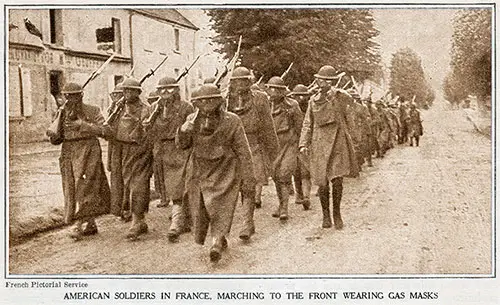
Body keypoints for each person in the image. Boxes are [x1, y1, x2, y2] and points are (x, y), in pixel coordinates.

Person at [177, 84, 255, 262]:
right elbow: (182, 145)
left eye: (211, 100)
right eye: (202, 101)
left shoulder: (232, 120)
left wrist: (249, 177)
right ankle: (218, 237)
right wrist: (183, 131)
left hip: (226, 169)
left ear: (219, 101)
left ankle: (217, 242)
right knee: (203, 207)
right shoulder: (191, 119)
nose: (207, 104)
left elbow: (243, 150)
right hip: (199, 170)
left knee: (221, 206)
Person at [46, 82, 111, 241]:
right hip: (69, 152)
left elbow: (106, 131)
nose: (70, 99)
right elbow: (57, 139)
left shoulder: (93, 110)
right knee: (71, 188)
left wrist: (82, 125)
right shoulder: (62, 112)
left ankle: (79, 223)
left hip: (89, 150)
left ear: (81, 95)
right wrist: (53, 135)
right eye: (67, 96)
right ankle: (89, 222)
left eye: (74, 95)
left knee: (86, 187)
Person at [299, 65, 360, 230]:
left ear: (330, 81)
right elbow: (307, 123)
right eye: (318, 79)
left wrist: (354, 138)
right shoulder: (313, 100)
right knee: (322, 182)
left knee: (337, 180)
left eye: (322, 79)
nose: (318, 82)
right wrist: (303, 143)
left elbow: (351, 112)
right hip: (319, 144)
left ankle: (337, 214)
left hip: (338, 143)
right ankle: (326, 215)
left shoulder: (340, 97)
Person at [227, 66, 279, 240]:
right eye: (236, 81)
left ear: (250, 81)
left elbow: (268, 126)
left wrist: (273, 153)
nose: (240, 84)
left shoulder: (260, 99)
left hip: (253, 146)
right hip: (230, 148)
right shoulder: (226, 99)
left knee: (249, 185)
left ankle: (247, 223)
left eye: (244, 80)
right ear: (232, 83)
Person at [145, 76, 195, 242]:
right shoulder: (154, 109)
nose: (165, 93)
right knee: (169, 186)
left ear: (176, 90)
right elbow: (149, 132)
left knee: (180, 185)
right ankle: (185, 218)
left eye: (169, 89)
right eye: (161, 90)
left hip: (181, 149)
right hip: (162, 151)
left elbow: (192, 131)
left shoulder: (186, 107)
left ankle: (176, 223)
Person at [106, 77, 153, 240]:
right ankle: (136, 218)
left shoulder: (146, 109)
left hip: (140, 150)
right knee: (123, 186)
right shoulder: (117, 109)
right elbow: (109, 129)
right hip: (121, 149)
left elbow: (149, 131)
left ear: (138, 92)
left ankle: (137, 221)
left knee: (138, 186)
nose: (128, 94)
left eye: (132, 90)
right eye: (125, 91)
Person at [266, 76, 304, 221]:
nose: (274, 92)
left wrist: (300, 145)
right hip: (273, 146)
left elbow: (299, 126)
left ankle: (284, 208)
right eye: (271, 88)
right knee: (275, 176)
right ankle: (281, 203)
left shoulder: (292, 105)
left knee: (284, 175)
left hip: (289, 144)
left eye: (277, 89)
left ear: (283, 91)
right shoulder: (265, 106)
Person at [288, 84, 313, 209]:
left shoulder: (311, 107)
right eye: (298, 96)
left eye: (303, 96)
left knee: (305, 172)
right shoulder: (290, 108)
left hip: (307, 143)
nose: (301, 98)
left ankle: (306, 196)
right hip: (293, 143)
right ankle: (299, 194)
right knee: (296, 171)